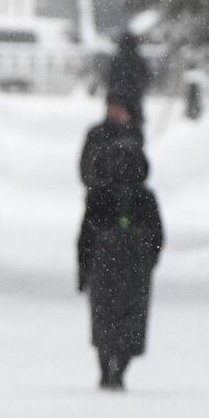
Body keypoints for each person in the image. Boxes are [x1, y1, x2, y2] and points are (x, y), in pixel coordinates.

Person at [76, 140, 164, 391]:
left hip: (105, 268)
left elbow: (85, 238)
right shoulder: (144, 197)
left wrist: (84, 270)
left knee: (105, 319)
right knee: (129, 320)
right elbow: (158, 235)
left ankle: (107, 367)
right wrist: (148, 259)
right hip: (134, 269)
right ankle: (118, 368)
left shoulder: (99, 196)